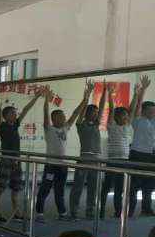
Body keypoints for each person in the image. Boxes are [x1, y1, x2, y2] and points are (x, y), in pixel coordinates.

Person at [35, 87, 88, 223]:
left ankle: (62, 213)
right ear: (54, 119)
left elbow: (75, 113)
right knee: (45, 189)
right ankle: (39, 213)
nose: (64, 118)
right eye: (61, 117)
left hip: (63, 166)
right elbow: (45, 113)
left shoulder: (65, 128)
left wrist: (85, 99)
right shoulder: (49, 129)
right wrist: (46, 100)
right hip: (51, 166)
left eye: (64, 117)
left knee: (60, 190)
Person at [0, 85, 43, 222]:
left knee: (16, 188)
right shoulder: (2, 126)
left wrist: (37, 96)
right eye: (12, 113)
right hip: (6, 160)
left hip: (17, 160)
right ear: (5, 116)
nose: (15, 115)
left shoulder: (15, 125)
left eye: (15, 113)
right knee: (0, 188)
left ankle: (17, 212)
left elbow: (26, 109)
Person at [69, 80, 106, 220]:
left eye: (96, 113)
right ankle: (74, 211)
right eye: (93, 112)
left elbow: (102, 107)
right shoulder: (81, 124)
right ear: (86, 114)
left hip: (97, 160)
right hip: (84, 159)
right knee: (78, 187)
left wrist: (105, 91)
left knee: (93, 188)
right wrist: (88, 94)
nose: (96, 114)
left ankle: (90, 211)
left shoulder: (96, 125)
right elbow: (80, 112)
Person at [100, 83, 133, 219]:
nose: (125, 118)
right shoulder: (112, 126)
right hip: (113, 161)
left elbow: (132, 110)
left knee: (119, 188)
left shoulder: (127, 127)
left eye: (126, 116)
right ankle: (101, 210)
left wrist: (138, 94)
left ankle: (118, 211)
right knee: (106, 187)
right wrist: (110, 94)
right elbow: (112, 110)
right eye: (123, 116)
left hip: (124, 161)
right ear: (116, 117)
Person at [127, 75, 153, 216]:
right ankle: (130, 210)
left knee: (149, 184)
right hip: (137, 154)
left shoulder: (153, 121)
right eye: (150, 110)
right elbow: (137, 106)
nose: (153, 112)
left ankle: (146, 209)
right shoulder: (137, 120)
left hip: (150, 155)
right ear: (144, 111)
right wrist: (142, 90)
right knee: (134, 184)